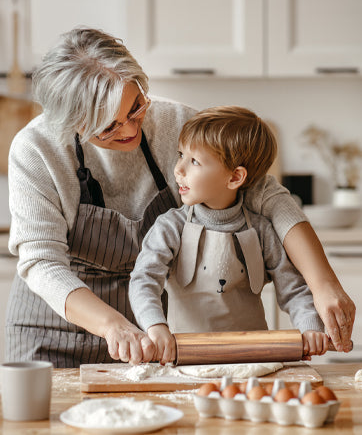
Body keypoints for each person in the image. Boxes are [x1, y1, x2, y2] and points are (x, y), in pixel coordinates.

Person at [5, 27, 354, 367]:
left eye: (136, 107)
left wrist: (323, 284)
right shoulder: (37, 150)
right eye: (107, 126)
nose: (129, 129)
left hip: (149, 330)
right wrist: (112, 325)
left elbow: (269, 196)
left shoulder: (176, 123)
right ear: (69, 122)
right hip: (51, 330)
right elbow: (42, 261)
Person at [129, 106, 331, 364]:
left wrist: (310, 326)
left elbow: (294, 289)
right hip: (185, 359)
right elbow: (143, 280)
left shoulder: (261, 230)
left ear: (235, 177)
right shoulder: (170, 227)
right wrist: (155, 325)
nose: (178, 169)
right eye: (181, 155)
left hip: (254, 361)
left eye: (194, 161)